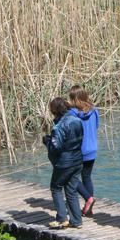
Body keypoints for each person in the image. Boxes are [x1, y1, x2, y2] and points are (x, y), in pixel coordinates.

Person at [42, 97, 83, 229]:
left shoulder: (58, 127)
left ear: (55, 111)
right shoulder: (77, 120)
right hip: (77, 160)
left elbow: (56, 148)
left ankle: (61, 218)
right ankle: (76, 220)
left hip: (65, 162)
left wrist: (47, 141)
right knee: (71, 190)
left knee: (56, 187)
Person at [68, 86, 99, 217]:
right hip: (92, 148)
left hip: (79, 150)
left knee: (72, 176)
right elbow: (97, 126)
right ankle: (89, 208)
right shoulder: (94, 110)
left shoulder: (71, 113)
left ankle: (88, 199)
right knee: (87, 177)